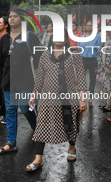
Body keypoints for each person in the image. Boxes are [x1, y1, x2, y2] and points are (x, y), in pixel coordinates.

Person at [25, 30, 88, 172]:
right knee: (41, 125)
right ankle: (39, 158)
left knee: (70, 124)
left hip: (68, 99)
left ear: (66, 39)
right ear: (53, 38)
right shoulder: (45, 56)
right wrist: (34, 95)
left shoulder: (74, 55)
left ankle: (72, 147)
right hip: (47, 100)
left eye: (62, 36)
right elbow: (40, 78)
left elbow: (81, 77)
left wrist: (83, 99)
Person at [0, 10, 42, 155]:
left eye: (15, 16)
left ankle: (37, 129)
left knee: (26, 108)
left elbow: (39, 61)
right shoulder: (4, 39)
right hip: (8, 82)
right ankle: (11, 143)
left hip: (26, 81)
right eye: (10, 16)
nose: (12, 18)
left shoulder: (29, 37)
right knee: (10, 111)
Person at [78, 20, 101, 99]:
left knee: (92, 78)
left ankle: (91, 95)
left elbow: (99, 49)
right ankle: (82, 94)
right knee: (81, 78)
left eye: (90, 25)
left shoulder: (97, 37)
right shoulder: (81, 37)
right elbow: (79, 48)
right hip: (83, 60)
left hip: (93, 60)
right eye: (87, 25)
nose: (88, 27)